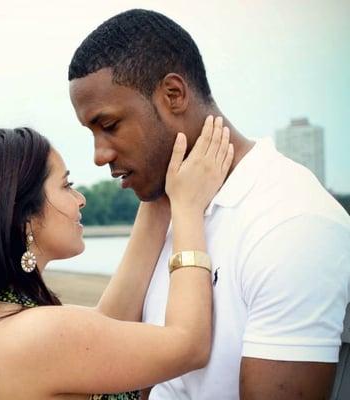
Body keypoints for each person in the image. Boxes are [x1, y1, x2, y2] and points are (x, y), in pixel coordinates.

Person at [68, 8, 350, 400]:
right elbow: (110, 352)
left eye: (110, 125)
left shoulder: (293, 224)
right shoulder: (168, 204)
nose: (99, 155)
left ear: (173, 95)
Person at [0, 119, 233, 400]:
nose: (81, 199)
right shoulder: (37, 334)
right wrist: (187, 209)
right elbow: (189, 345)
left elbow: (109, 323)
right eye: (67, 185)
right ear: (25, 217)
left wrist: (155, 196)